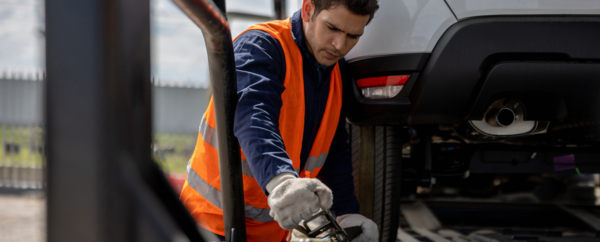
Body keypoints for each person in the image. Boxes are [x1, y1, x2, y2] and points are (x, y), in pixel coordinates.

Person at [179, 0, 380, 241]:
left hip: (271, 233)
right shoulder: (261, 46)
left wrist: (347, 214)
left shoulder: (337, 71)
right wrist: (282, 180)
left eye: (353, 36)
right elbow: (254, 116)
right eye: (332, 28)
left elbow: (333, 149)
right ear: (308, 10)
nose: (340, 45)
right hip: (212, 225)